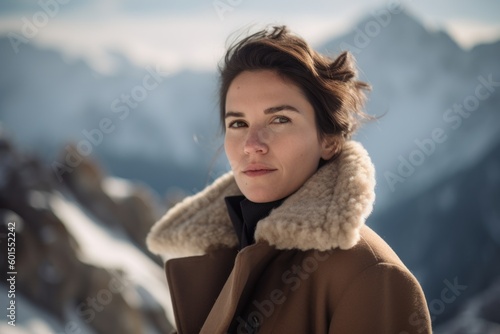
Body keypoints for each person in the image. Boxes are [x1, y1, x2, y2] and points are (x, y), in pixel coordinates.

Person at [147, 25, 432, 334]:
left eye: (279, 119)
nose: (252, 143)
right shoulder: (225, 253)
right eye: (238, 123)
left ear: (329, 140)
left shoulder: (370, 276)